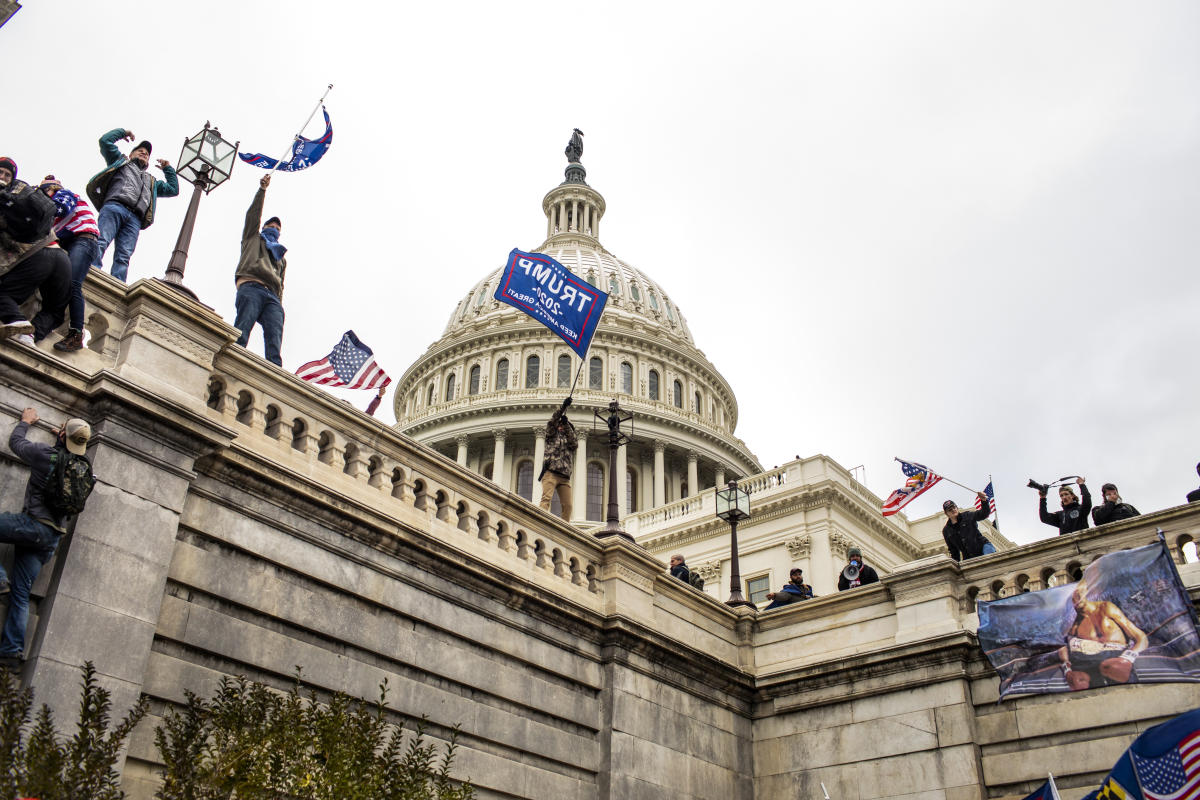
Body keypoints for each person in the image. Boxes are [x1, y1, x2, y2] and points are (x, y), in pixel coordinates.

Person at [0, 408, 91, 670]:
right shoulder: (84, 468)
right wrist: (63, 440)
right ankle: (10, 653)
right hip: (51, 538)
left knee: (13, 586)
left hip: (32, 525)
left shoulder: (44, 455)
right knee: (21, 592)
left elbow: (16, 444)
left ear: (62, 436)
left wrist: (25, 423)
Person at [86, 128, 178, 281]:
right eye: (140, 151)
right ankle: (91, 270)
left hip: (135, 219)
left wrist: (168, 168)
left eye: (147, 154)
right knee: (101, 240)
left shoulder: (151, 181)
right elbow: (105, 141)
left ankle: (117, 282)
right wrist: (123, 133)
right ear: (130, 154)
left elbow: (173, 189)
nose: (144, 153)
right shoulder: (121, 162)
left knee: (124, 256)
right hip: (115, 206)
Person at [0, 159, 70, 346]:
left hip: (41, 256)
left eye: (7, 174)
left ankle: (17, 321)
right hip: (63, 259)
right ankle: (29, 337)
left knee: (3, 294)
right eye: (1, 173)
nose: (3, 177)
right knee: (55, 311)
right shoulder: (28, 194)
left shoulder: (10, 201)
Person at [39, 175, 99, 352]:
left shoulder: (64, 194)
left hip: (84, 240)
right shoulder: (54, 221)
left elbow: (61, 207)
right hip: (73, 243)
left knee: (72, 283)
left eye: (45, 191)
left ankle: (76, 334)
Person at [233, 174, 287, 366]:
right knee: (242, 330)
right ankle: (233, 362)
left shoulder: (280, 255)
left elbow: (281, 283)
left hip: (272, 295)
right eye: (270, 225)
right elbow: (253, 216)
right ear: (263, 226)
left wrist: (279, 304)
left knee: (274, 339)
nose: (274, 228)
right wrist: (262, 191)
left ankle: (275, 374)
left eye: (277, 227)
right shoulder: (252, 238)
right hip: (251, 287)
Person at [1057, 577, 1148, 691]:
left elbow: (1141, 637)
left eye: (1079, 593)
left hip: (1116, 660)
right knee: (1081, 687)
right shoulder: (1072, 626)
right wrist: (1067, 669)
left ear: (1086, 592)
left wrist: (1127, 658)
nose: (1077, 597)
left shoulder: (1106, 608)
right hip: (1085, 664)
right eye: (1073, 596)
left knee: (1127, 688)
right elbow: (1061, 646)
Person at [538, 397, 577, 521]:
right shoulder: (551, 435)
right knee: (546, 499)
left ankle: (564, 529)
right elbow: (552, 421)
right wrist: (563, 407)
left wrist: (567, 426)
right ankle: (539, 522)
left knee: (568, 506)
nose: (561, 426)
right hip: (551, 473)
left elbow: (574, 443)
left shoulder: (568, 441)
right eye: (560, 425)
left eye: (563, 425)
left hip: (564, 477)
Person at [941, 494, 996, 561]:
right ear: (946, 513)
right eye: (950, 509)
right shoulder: (946, 531)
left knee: (989, 561)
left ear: (957, 508)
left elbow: (983, 514)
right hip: (969, 557)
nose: (953, 510)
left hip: (983, 547)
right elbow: (954, 551)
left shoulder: (967, 516)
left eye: (954, 507)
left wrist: (984, 501)